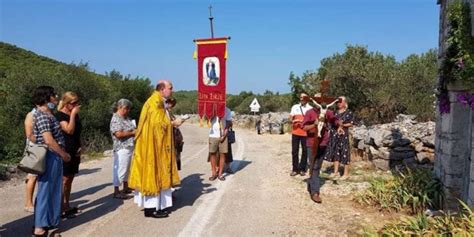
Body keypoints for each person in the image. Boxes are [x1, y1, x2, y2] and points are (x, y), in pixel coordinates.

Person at [129, 80, 182, 218]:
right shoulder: (155, 102)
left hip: (158, 144)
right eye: (170, 88)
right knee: (153, 173)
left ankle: (158, 206)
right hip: (153, 145)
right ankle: (151, 208)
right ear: (162, 89)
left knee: (159, 173)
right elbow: (157, 125)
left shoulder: (159, 101)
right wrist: (173, 123)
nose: (172, 90)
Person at [32, 86, 71, 237]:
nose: (56, 97)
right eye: (53, 95)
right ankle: (39, 228)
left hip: (54, 156)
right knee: (45, 191)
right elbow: (48, 139)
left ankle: (47, 222)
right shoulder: (42, 115)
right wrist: (63, 154)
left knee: (53, 190)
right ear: (47, 97)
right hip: (51, 156)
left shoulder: (49, 114)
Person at [302, 96, 342, 203]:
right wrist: (313, 125)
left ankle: (312, 183)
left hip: (323, 143)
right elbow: (304, 127)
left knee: (317, 166)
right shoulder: (309, 112)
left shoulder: (327, 112)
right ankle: (315, 192)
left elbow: (335, 120)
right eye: (318, 100)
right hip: (312, 143)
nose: (320, 102)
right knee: (313, 166)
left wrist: (339, 125)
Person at [57, 91, 82, 218]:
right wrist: (72, 115)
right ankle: (60, 207)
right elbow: (69, 130)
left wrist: (80, 146)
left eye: (77, 102)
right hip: (65, 150)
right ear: (66, 103)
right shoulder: (60, 115)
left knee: (70, 178)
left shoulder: (75, 115)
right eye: (73, 103)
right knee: (64, 179)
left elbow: (77, 132)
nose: (76, 105)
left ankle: (66, 205)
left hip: (75, 150)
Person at [110, 99, 135, 199]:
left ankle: (126, 187)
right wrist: (133, 133)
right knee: (120, 169)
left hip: (128, 146)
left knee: (127, 169)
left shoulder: (126, 118)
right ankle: (116, 191)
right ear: (120, 107)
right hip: (121, 147)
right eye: (126, 108)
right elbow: (118, 134)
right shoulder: (116, 118)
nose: (128, 110)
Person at [324, 96, 354, 180]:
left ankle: (346, 173)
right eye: (338, 102)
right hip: (335, 134)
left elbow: (351, 123)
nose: (339, 103)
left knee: (345, 152)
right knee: (335, 152)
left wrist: (342, 125)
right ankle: (335, 172)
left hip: (343, 135)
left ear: (345, 103)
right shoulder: (335, 112)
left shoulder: (349, 112)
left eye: (341, 102)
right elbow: (330, 122)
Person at [289, 93, 313, 176]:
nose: (302, 99)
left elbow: (312, 121)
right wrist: (293, 121)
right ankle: (295, 169)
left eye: (304, 97)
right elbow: (290, 118)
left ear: (307, 98)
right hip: (295, 132)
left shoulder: (310, 108)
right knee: (294, 151)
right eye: (300, 97)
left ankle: (302, 168)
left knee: (305, 151)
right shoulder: (295, 107)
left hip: (306, 133)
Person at [208, 106, 232, 181]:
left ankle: (220, 174)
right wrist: (214, 113)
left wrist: (224, 135)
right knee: (212, 153)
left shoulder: (227, 110)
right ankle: (214, 173)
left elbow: (228, 123)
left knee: (223, 154)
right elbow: (207, 120)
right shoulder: (211, 109)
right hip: (212, 135)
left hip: (223, 135)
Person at [24, 109, 37, 213]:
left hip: (41, 149)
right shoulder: (31, 114)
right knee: (32, 176)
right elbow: (29, 134)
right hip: (34, 150)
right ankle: (28, 204)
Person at [166, 98, 184, 171]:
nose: (170, 105)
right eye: (169, 103)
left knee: (176, 158)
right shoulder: (164, 112)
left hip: (175, 138)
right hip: (169, 138)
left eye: (172, 104)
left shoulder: (170, 113)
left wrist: (181, 121)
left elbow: (175, 125)